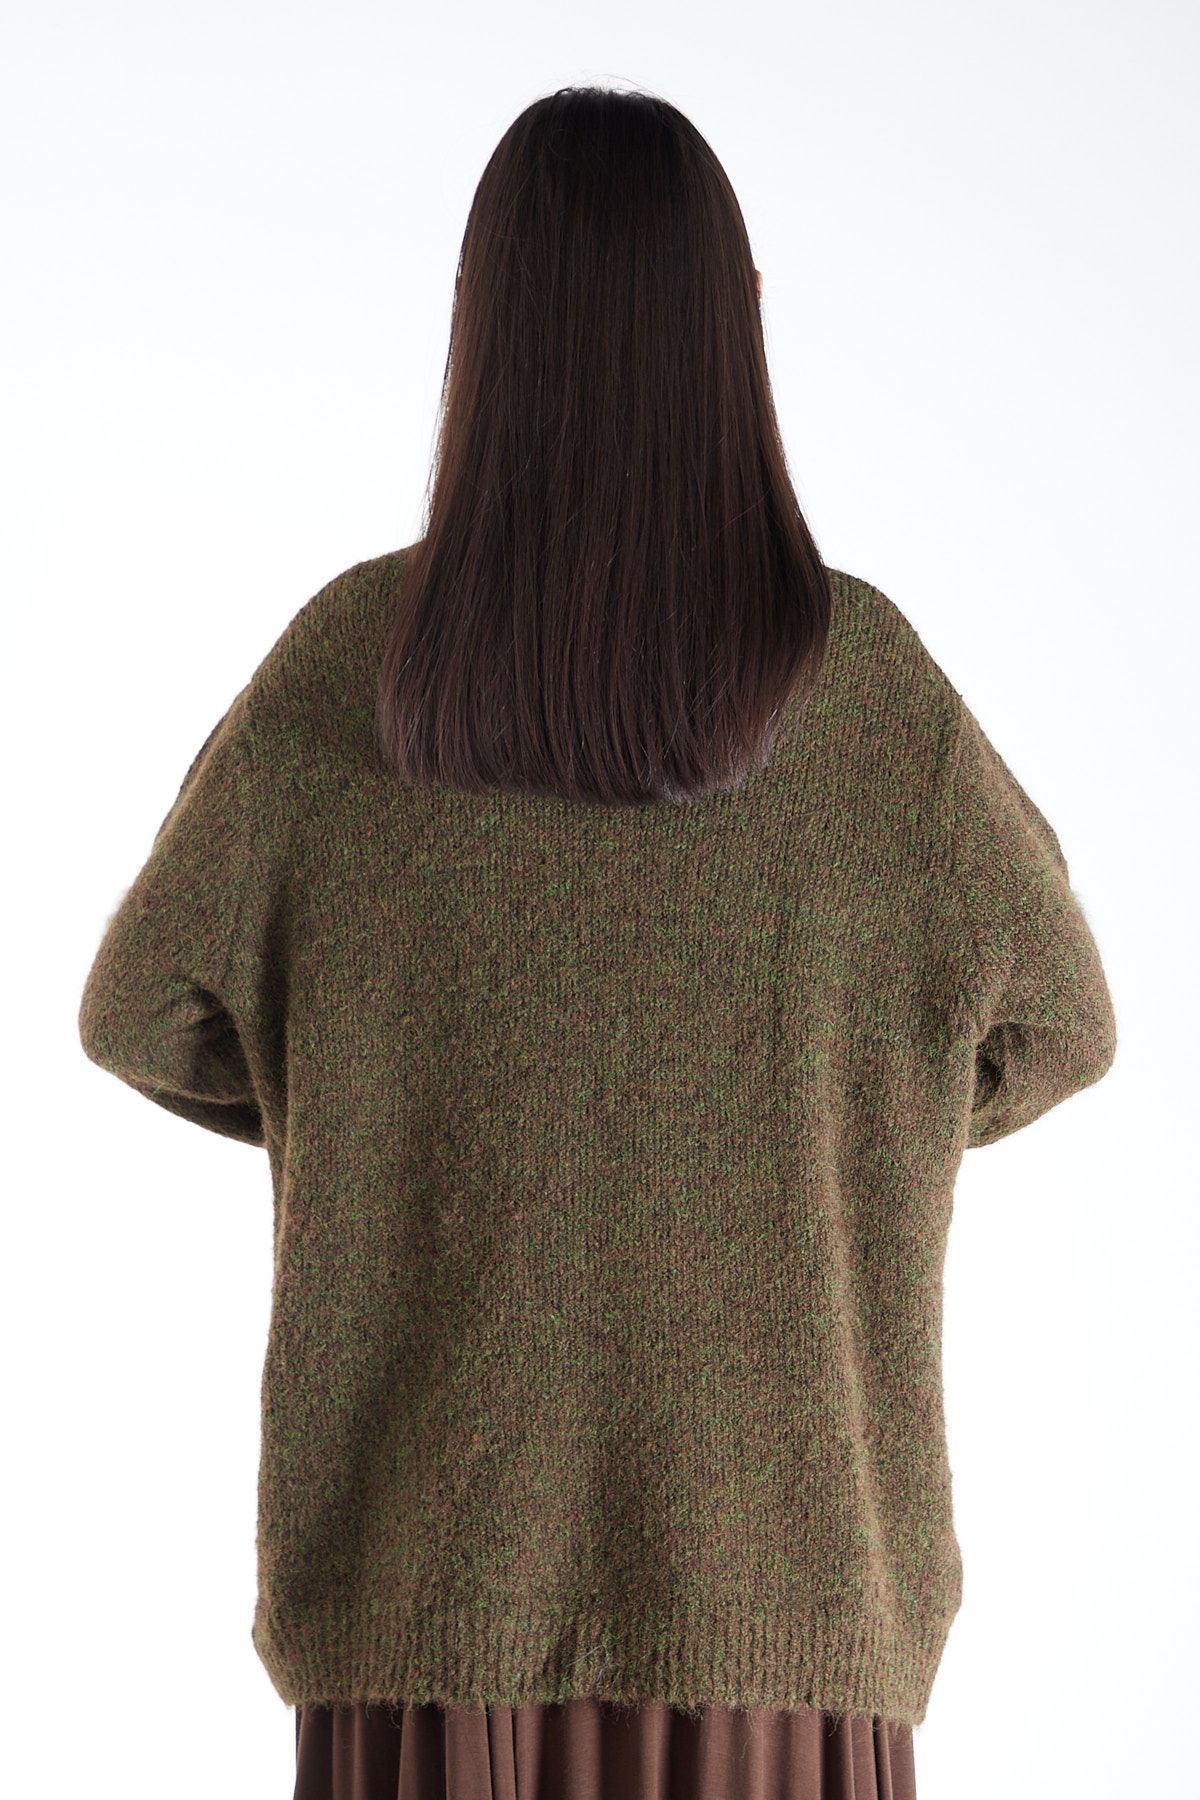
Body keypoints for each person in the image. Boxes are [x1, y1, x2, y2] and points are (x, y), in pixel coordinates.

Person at [77, 83, 1118, 1800]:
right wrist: (848, 1113)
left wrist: (371, 1102)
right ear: (735, 331)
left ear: (481, 332)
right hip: (789, 1647)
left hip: (428, 1646)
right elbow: (1060, 1019)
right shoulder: (868, 693)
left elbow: (142, 1006)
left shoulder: (350, 668)